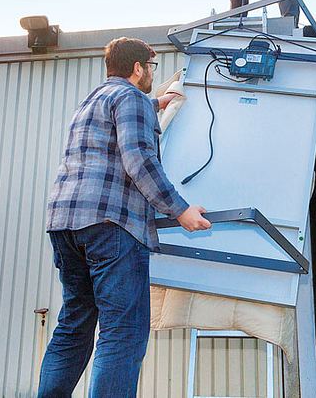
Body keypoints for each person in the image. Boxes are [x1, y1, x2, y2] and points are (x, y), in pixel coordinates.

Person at [38, 37, 211, 398]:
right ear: (138, 68)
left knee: (74, 326)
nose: (152, 73)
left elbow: (118, 131)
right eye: (151, 67)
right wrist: (180, 210)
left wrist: (156, 104)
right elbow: (139, 160)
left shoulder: (92, 100)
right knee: (123, 331)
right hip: (110, 225)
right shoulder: (131, 98)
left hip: (66, 224)